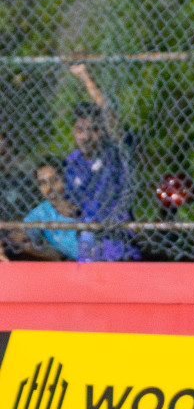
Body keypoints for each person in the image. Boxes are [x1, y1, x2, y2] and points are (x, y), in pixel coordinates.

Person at [63, 62, 137, 262]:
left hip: (117, 241)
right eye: (80, 130)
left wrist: (85, 77)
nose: (86, 137)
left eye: (93, 130)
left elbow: (108, 113)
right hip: (87, 244)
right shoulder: (71, 163)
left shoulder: (114, 153)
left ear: (103, 131)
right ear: (73, 131)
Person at [10, 158, 77, 261]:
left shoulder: (83, 202)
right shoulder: (43, 211)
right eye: (43, 183)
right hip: (69, 265)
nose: (49, 188)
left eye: (54, 180)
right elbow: (19, 235)